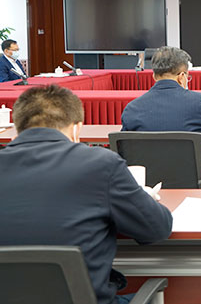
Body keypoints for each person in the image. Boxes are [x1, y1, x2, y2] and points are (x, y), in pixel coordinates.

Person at [0, 85, 173, 304]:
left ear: (18, 127)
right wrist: (141, 197)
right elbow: (156, 229)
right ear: (76, 129)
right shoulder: (101, 164)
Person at [122, 46, 201, 146]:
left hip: (146, 167)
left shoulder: (132, 108)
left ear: (154, 76)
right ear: (181, 77)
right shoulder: (200, 103)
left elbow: (123, 147)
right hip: (188, 167)